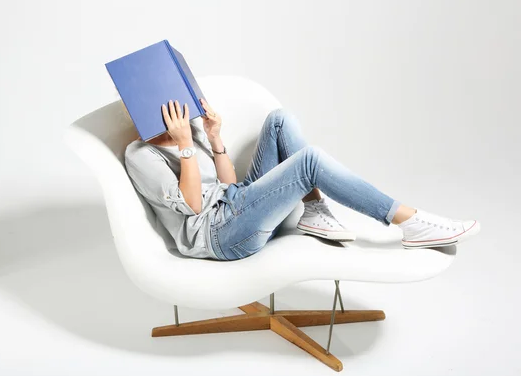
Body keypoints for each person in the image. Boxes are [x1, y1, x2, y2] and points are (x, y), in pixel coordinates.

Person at [124, 98, 481, 261]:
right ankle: (409, 221)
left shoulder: (187, 132)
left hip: (236, 205)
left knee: (280, 119)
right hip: (220, 234)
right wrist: (185, 145)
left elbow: (228, 185)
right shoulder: (141, 155)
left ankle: (313, 211)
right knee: (310, 160)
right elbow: (194, 204)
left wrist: (213, 138)